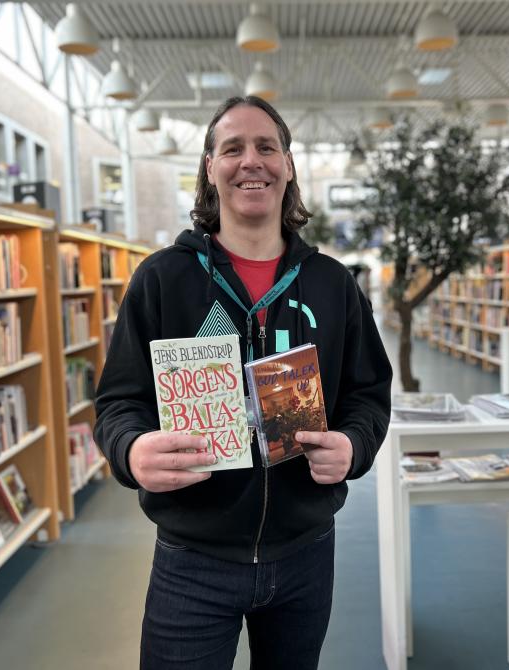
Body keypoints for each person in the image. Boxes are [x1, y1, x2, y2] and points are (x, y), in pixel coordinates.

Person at [94, 95, 392, 670]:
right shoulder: (162, 279)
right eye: (232, 148)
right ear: (210, 167)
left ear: (288, 165)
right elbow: (118, 401)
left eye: (266, 147)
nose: (250, 160)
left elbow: (368, 395)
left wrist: (354, 446)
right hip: (192, 560)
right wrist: (131, 452)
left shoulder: (333, 285)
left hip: (307, 554)